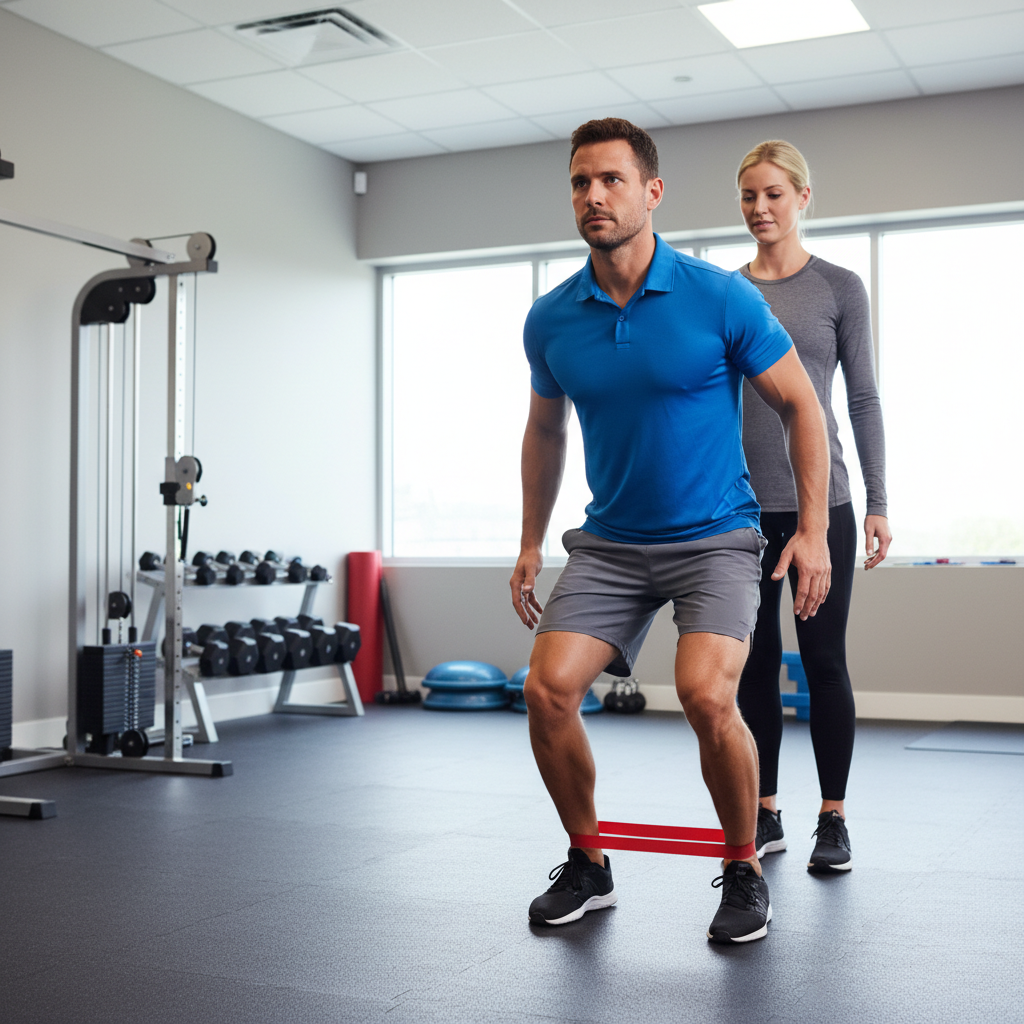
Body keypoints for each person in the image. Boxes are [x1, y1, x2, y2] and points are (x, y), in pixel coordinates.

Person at [509, 118, 831, 944]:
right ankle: (589, 861)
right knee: (544, 690)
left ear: (651, 193)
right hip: (611, 542)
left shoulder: (719, 296)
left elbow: (802, 405)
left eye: (611, 180)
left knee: (705, 694)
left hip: (716, 537)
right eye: (581, 182)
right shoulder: (551, 319)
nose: (593, 196)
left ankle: (742, 867)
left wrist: (816, 532)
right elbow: (545, 432)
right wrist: (530, 542)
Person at [733, 140, 892, 874]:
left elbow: (860, 400)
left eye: (773, 194)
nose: (760, 208)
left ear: (803, 198)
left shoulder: (838, 288)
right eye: (748, 196)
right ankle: (764, 812)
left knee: (824, 662)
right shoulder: (726, 291)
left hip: (819, 505)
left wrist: (876, 501)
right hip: (739, 510)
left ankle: (834, 818)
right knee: (753, 665)